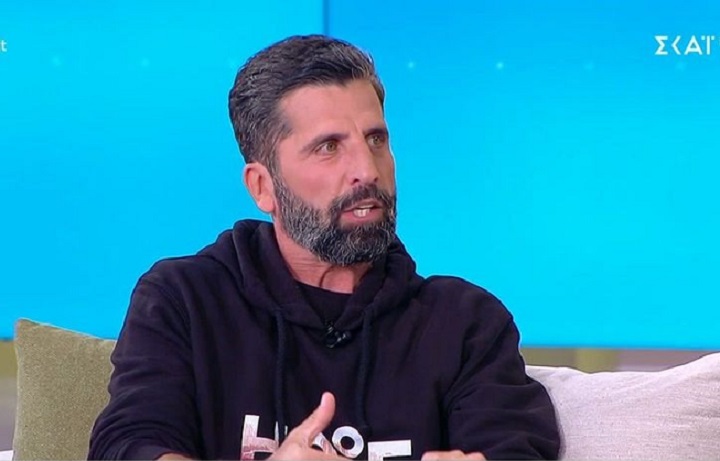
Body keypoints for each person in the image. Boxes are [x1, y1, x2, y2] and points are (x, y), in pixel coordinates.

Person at [88, 35, 560, 461]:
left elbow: (515, 447)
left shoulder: (465, 323)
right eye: (329, 147)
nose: (367, 170)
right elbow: (128, 445)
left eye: (376, 139)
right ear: (263, 187)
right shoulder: (185, 300)